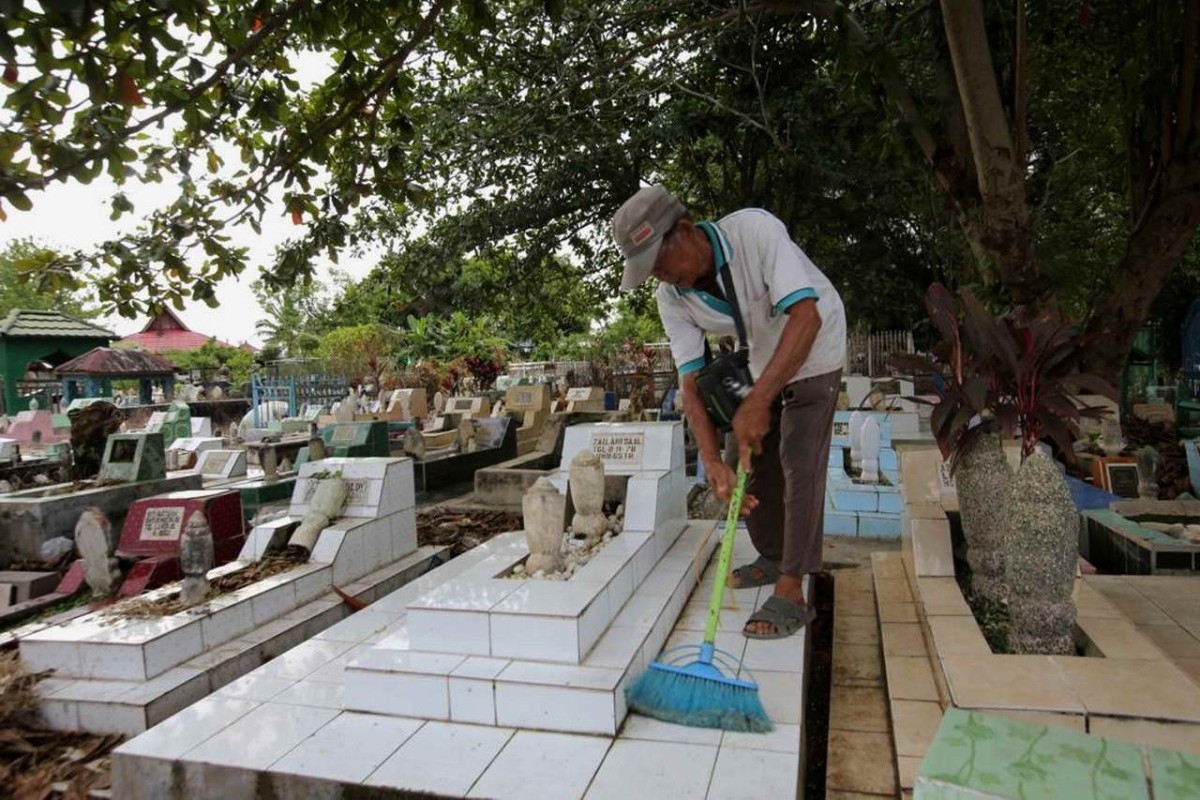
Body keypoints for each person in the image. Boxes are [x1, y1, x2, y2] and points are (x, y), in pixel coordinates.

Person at [612, 185, 846, 639]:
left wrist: (759, 401)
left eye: (660, 262)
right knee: (747, 458)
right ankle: (772, 553)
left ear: (684, 230)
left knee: (799, 461)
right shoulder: (672, 298)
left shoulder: (754, 232)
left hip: (816, 347)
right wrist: (714, 460)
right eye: (650, 271)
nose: (660, 276)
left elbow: (806, 317)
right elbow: (690, 382)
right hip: (763, 360)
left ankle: (793, 587)